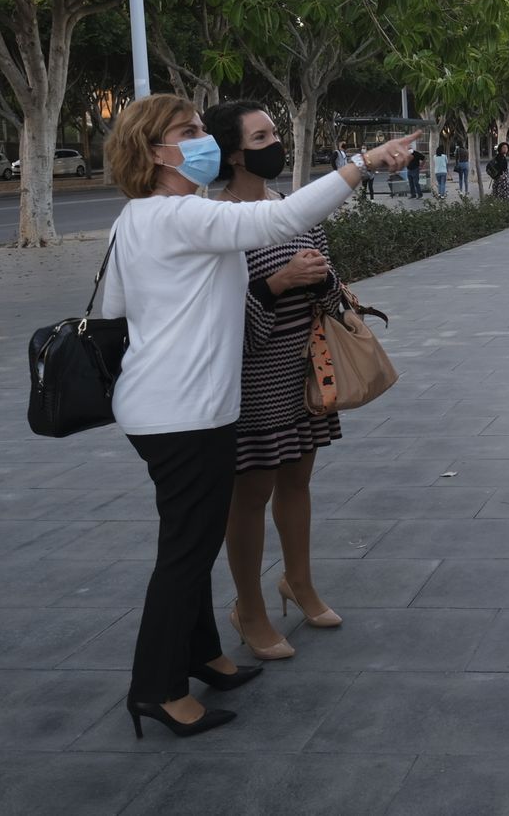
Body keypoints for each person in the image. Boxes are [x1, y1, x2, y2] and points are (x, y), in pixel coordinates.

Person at [99, 93, 417, 738]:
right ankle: (157, 690)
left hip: (172, 404)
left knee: (187, 542)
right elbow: (278, 223)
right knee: (184, 556)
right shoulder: (178, 215)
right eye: (186, 132)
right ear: (152, 152)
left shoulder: (140, 218)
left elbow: (115, 309)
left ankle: (204, 656)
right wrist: (364, 162)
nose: (200, 140)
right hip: (180, 410)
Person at [205, 100, 348, 666]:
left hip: (304, 371)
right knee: (251, 495)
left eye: (274, 133)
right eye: (262, 135)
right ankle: (250, 608)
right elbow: (224, 323)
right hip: (253, 381)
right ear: (236, 153)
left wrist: (322, 282)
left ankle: (300, 583)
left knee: (297, 482)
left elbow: (332, 281)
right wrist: (280, 282)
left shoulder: (292, 209)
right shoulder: (217, 223)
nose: (274, 143)